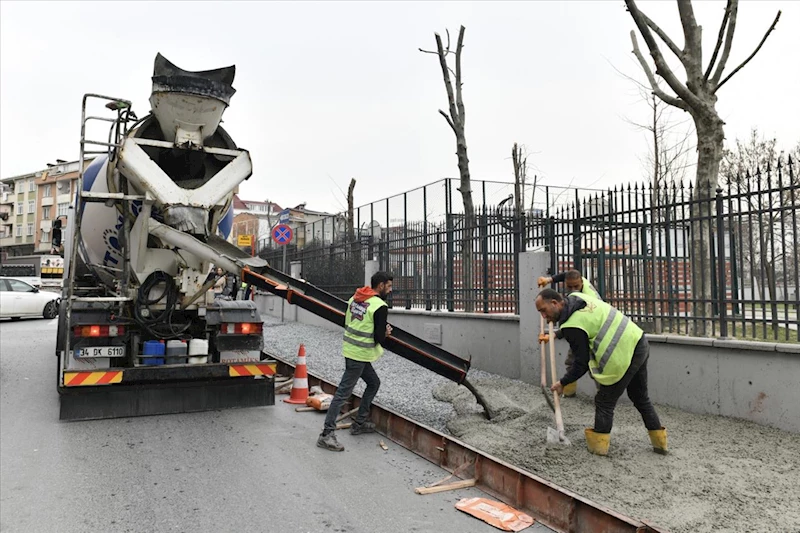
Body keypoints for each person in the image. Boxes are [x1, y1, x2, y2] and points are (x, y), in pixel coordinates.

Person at [535, 288, 667, 456]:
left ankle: (598, 449)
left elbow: (580, 363)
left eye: (543, 311)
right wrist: (556, 334)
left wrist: (563, 382)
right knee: (640, 397)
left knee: (605, 401)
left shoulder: (572, 326)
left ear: (554, 303)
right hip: (638, 341)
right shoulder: (577, 298)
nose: (544, 317)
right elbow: (588, 321)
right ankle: (660, 444)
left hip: (623, 354)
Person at [317, 271, 394, 452]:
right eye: (389, 286)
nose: (390, 290)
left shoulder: (355, 298)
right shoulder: (379, 306)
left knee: (374, 383)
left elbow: (349, 322)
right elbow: (378, 339)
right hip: (360, 354)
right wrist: (385, 333)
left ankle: (359, 423)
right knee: (343, 393)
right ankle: (326, 434)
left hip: (352, 351)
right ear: (381, 285)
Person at [538, 269, 601, 397]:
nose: (573, 290)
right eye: (569, 286)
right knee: (571, 361)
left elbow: (575, 323)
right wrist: (549, 280)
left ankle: (604, 395)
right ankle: (569, 392)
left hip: (595, 332)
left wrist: (554, 335)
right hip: (582, 330)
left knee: (594, 366)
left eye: (576, 286)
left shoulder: (588, 298)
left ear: (581, 282)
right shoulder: (577, 283)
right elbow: (565, 275)